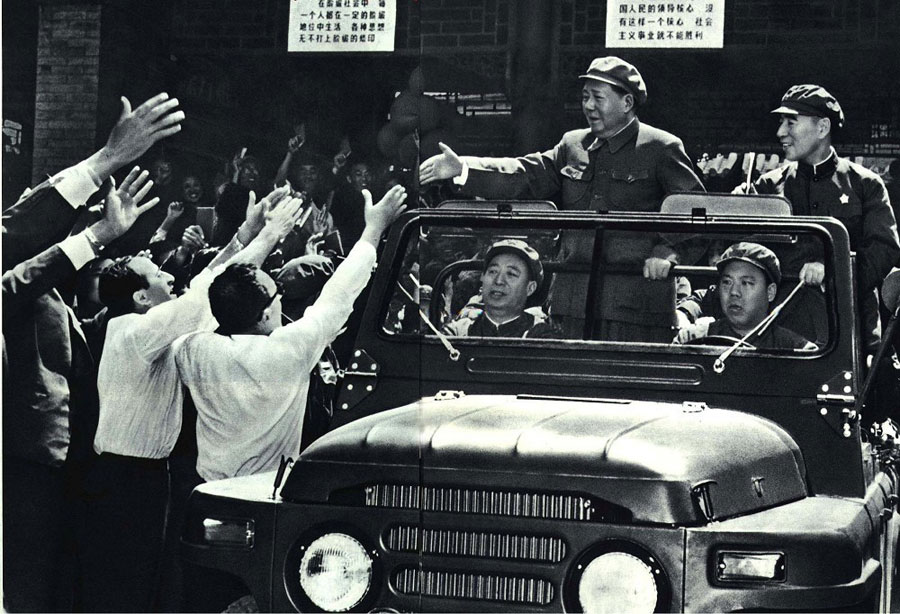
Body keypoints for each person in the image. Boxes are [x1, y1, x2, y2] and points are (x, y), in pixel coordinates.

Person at [78, 185, 304, 612]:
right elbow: (204, 295)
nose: (169, 278)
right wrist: (269, 236)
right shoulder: (140, 332)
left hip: (138, 478)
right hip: (130, 482)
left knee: (141, 585)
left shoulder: (133, 326)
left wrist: (244, 234)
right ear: (141, 298)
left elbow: (203, 285)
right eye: (158, 277)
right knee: (126, 589)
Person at [1, 91, 182, 613]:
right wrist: (106, 162)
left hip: (60, 462)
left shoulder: (56, 299)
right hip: (27, 463)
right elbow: (20, 245)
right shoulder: (21, 282)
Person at [419, 56, 705, 342]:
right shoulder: (573, 145)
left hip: (637, 307)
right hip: (572, 305)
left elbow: (700, 213)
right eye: (585, 97)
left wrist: (669, 251)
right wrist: (464, 169)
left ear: (627, 102)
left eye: (598, 98)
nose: (588, 106)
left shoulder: (660, 148)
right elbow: (526, 174)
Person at [172, 184, 406, 484]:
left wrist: (255, 234)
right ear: (265, 314)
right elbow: (340, 293)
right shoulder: (289, 350)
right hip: (268, 489)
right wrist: (374, 228)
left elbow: (206, 294)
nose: (281, 296)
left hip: (209, 488)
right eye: (276, 293)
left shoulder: (192, 349)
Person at [740, 84, 900, 352]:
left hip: (850, 330)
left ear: (823, 127)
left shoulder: (865, 184)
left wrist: (834, 272)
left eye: (791, 122)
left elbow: (884, 249)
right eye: (781, 122)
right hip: (783, 330)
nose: (781, 132)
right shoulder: (768, 186)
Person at [674, 242, 816, 351]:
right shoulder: (691, 339)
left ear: (770, 292)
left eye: (746, 283)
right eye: (727, 282)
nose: (734, 292)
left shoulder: (795, 349)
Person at [442, 239, 561, 339]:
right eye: (493, 271)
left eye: (511, 274)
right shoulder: (457, 333)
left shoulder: (543, 338)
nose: (498, 281)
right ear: (482, 277)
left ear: (530, 288)